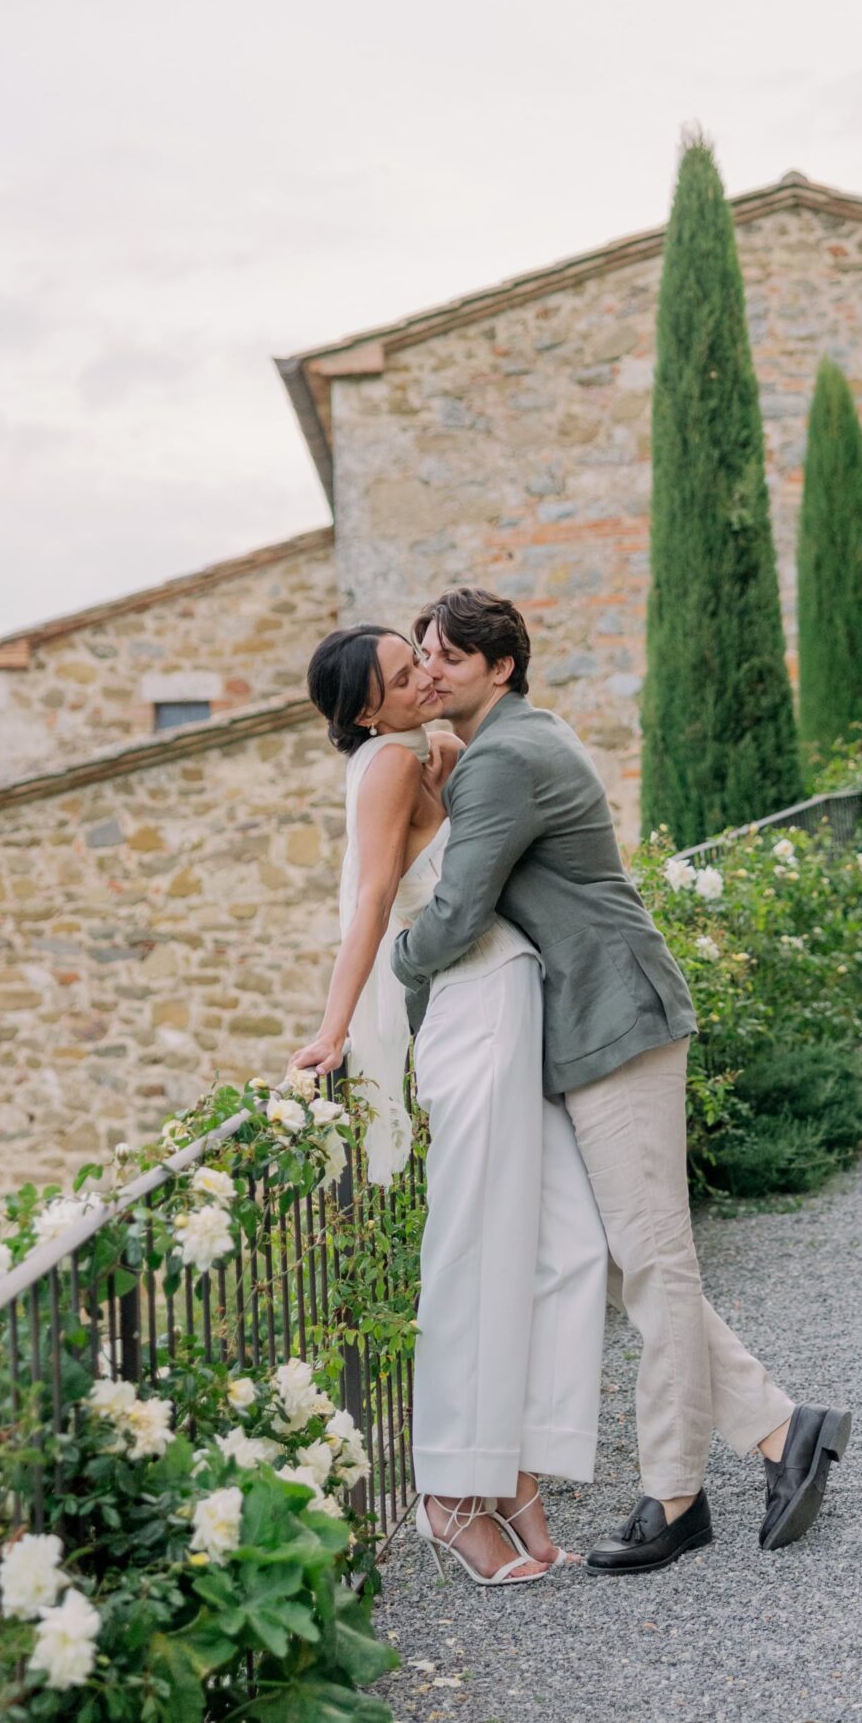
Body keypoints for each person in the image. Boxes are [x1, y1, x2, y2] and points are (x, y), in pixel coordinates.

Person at [392, 586, 850, 1571]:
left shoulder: (505, 758)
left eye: (449, 657)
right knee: (616, 1257)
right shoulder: (505, 743)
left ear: (500, 667)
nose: (430, 669)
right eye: (421, 654)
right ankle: (782, 1431)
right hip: (593, 1027)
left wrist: (398, 961)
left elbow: (458, 911)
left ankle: (674, 1493)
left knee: (652, 1262)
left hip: (616, 1022)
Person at [291, 622, 609, 1586]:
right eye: (402, 675)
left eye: (421, 659)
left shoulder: (421, 750)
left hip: (506, 993)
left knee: (568, 1243)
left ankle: (517, 1469)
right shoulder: (389, 764)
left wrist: (447, 753)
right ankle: (448, 1495)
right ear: (364, 711)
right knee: (470, 1248)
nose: (423, 677)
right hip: (472, 1008)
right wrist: (332, 1027)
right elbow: (376, 899)